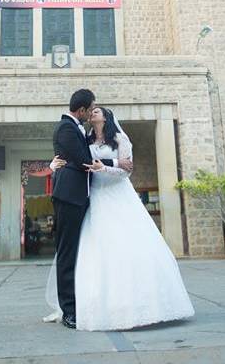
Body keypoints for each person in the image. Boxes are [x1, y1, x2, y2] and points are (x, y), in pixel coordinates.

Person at [46, 106, 195, 331]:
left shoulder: (119, 138)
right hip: (93, 198)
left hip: (117, 195)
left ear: (106, 117)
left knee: (126, 247)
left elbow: (128, 170)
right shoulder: (85, 138)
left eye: (97, 111)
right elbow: (77, 158)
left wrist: (105, 168)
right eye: (92, 110)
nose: (93, 114)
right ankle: (92, 304)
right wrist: (52, 164)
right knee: (93, 252)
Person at [48, 89, 133, 330]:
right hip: (69, 198)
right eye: (91, 108)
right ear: (83, 110)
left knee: (79, 253)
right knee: (67, 254)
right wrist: (116, 162)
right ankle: (69, 311)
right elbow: (85, 160)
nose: (92, 112)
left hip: (81, 198)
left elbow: (73, 156)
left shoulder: (78, 130)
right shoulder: (66, 128)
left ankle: (82, 303)